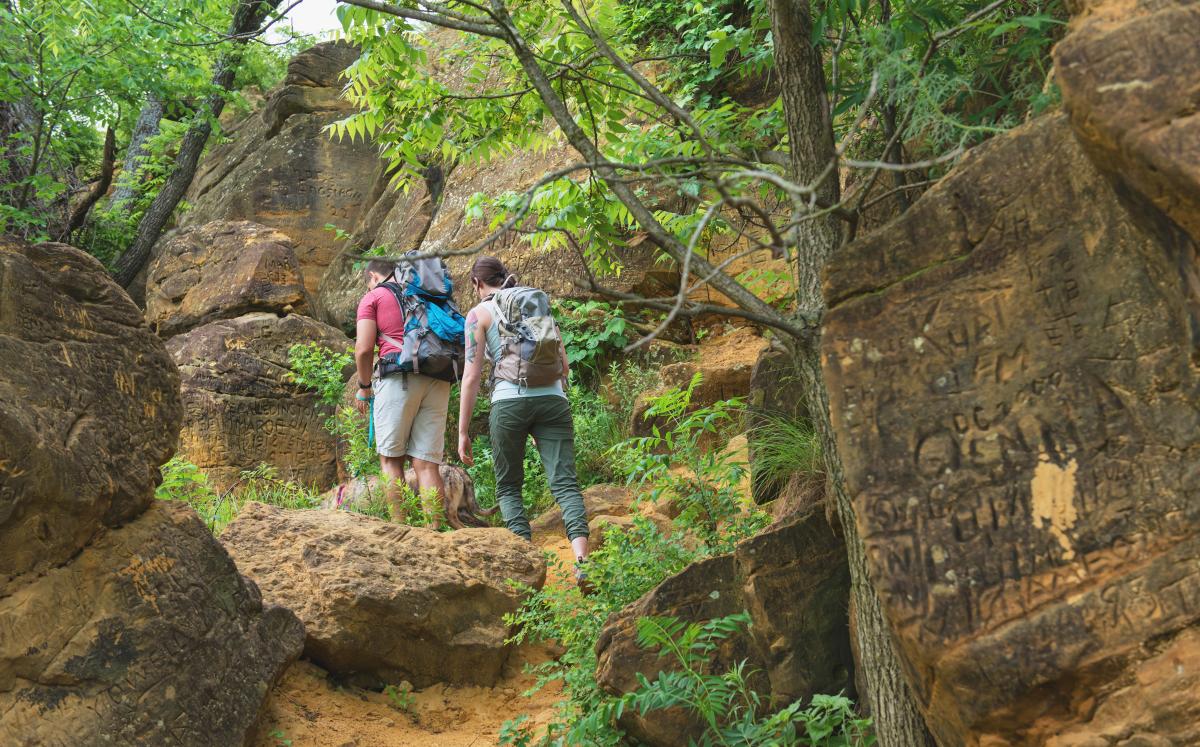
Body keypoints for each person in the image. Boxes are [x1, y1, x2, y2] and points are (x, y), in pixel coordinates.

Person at [456, 256, 592, 592]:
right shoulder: (535, 304)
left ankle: (528, 575)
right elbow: (564, 363)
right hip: (553, 400)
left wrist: (462, 431)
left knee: (509, 487)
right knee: (565, 484)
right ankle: (585, 564)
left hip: (508, 402)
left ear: (476, 284)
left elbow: (472, 376)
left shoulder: (478, 315)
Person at [354, 258, 449, 525]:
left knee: (390, 460)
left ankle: (400, 531)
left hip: (399, 376)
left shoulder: (374, 298)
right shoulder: (423, 293)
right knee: (427, 464)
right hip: (439, 376)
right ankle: (434, 532)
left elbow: (363, 349)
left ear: (373, 276)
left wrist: (364, 387)